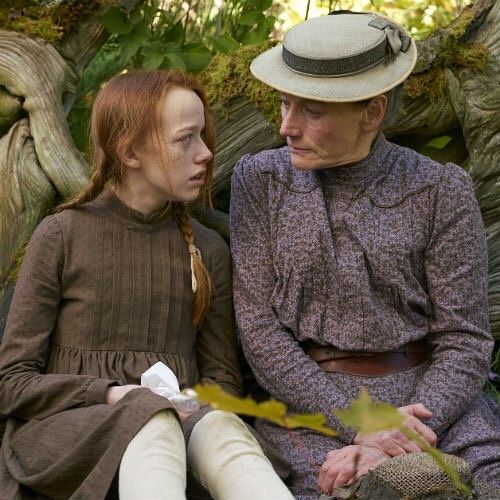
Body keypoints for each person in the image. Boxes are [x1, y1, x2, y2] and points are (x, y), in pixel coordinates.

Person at [229, 11, 500, 500]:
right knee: (338, 488)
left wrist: (400, 435)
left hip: (434, 408)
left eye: (311, 111)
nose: (287, 126)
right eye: (285, 103)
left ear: (372, 114)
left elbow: (465, 339)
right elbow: (260, 332)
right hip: (311, 408)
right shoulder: (260, 181)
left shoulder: (440, 190)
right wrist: (360, 426)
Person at [0, 70, 294, 500]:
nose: (207, 153)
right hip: (68, 435)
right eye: (185, 139)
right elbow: (12, 382)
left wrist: (197, 403)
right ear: (130, 152)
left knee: (224, 432)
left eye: (203, 136)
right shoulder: (62, 234)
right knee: (151, 418)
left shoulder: (208, 249)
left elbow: (222, 381)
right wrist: (113, 393)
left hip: (181, 425)